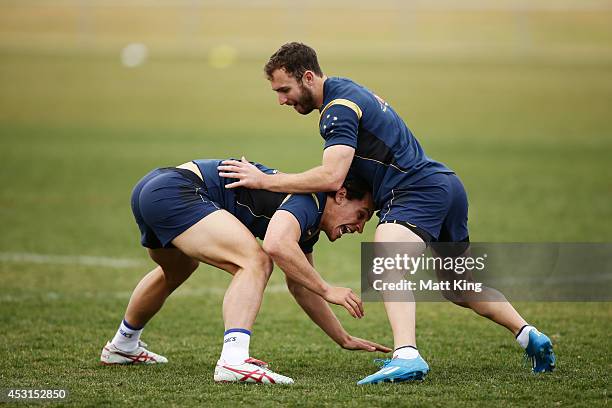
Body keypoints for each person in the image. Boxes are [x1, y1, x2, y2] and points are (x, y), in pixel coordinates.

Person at [217, 42, 556, 384]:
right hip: (446, 187)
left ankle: (406, 355)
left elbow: (332, 177)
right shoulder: (348, 91)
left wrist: (265, 181)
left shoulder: (338, 108)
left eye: (285, 90)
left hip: (414, 191)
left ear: (308, 77)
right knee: (459, 287)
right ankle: (529, 335)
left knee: (385, 261)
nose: (282, 100)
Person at [100, 158, 390, 384]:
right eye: (361, 214)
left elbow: (300, 286)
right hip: (175, 191)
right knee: (256, 262)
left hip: (155, 187)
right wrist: (329, 289)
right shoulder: (310, 201)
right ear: (340, 195)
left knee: (177, 269)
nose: (360, 227)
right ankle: (233, 359)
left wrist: (343, 338)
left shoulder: (308, 226)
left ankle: (123, 345)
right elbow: (276, 245)